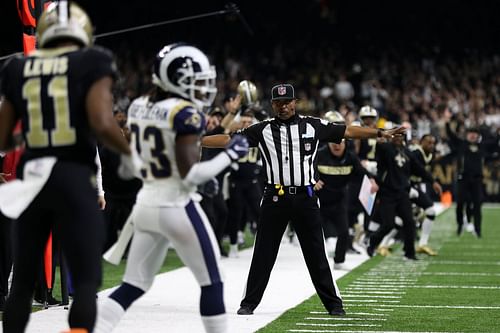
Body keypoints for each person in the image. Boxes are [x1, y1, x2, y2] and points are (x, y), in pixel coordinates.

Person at [201, 83, 405, 316]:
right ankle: (249, 303)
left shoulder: (313, 125)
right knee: (263, 254)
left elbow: (347, 131)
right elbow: (228, 140)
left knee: (317, 254)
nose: (283, 106)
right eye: (278, 102)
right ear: (273, 105)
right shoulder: (262, 129)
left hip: (305, 198)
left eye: (287, 101)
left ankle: (334, 305)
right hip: (274, 197)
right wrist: (199, 141)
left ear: (295, 102)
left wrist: (380, 133)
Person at [0, 2, 137, 332]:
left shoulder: (18, 67)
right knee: (86, 279)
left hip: (33, 178)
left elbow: (4, 139)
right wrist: (132, 155)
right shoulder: (92, 61)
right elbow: (103, 124)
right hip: (73, 175)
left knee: (20, 282)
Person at [94, 43, 249, 333]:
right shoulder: (185, 113)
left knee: (133, 285)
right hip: (176, 205)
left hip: (145, 204)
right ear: (176, 80)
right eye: (196, 81)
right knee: (213, 281)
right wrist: (230, 155)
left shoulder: (139, 105)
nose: (203, 88)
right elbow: (191, 175)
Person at [315, 111, 378, 269]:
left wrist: (371, 179)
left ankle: (339, 261)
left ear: (345, 143)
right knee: (319, 236)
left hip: (340, 200)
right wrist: (313, 180)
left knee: (344, 232)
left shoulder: (350, 157)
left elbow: (361, 171)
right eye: (334, 143)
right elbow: (307, 169)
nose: (337, 145)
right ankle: (317, 265)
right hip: (320, 200)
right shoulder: (320, 155)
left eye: (340, 142)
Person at [367, 133, 442, 260]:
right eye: (395, 136)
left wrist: (433, 181)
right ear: (391, 137)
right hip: (387, 193)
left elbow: (420, 169)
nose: (398, 138)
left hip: (402, 193)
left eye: (401, 136)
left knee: (410, 223)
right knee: (388, 224)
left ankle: (409, 253)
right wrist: (380, 141)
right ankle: (372, 243)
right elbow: (380, 150)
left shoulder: (407, 153)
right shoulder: (386, 149)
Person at [444, 110, 486, 237]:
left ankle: (478, 229)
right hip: (463, 179)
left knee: (477, 205)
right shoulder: (461, 144)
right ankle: (460, 225)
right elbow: (451, 135)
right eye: (471, 133)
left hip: (477, 180)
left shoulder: (482, 146)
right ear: (467, 135)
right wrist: (447, 122)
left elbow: (494, 143)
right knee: (460, 203)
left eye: (475, 133)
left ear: (478, 135)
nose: (472, 136)